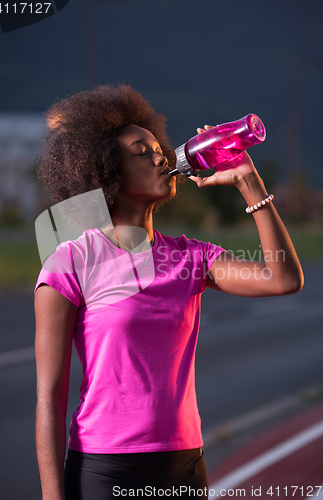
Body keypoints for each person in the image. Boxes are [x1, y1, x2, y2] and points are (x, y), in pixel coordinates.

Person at [34, 84, 304, 500]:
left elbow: (283, 279)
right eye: (141, 152)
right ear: (108, 172)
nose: (161, 155)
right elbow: (50, 400)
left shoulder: (193, 257)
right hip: (105, 468)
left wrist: (249, 182)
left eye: (157, 146)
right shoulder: (70, 262)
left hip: (184, 464)